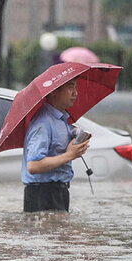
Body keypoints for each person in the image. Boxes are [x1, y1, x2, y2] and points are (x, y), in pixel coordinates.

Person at [22, 79, 90, 212]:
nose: (75, 93)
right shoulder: (42, 123)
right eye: (71, 88)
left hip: (59, 191)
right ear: (54, 91)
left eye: (76, 87)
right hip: (42, 194)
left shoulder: (60, 119)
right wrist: (69, 155)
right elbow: (33, 165)